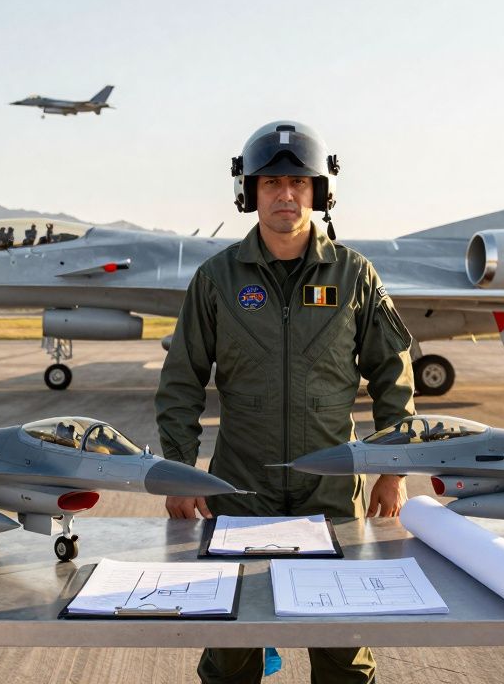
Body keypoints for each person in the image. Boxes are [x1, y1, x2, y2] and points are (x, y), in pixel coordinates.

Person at [156, 120, 415, 684]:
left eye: (300, 183)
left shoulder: (354, 277)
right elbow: (182, 381)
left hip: (330, 498)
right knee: (232, 653)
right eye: (271, 183)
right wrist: (178, 471)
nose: (286, 195)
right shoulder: (217, 279)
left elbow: (393, 377)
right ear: (249, 192)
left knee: (343, 653)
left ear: (320, 193)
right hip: (238, 495)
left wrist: (392, 470)